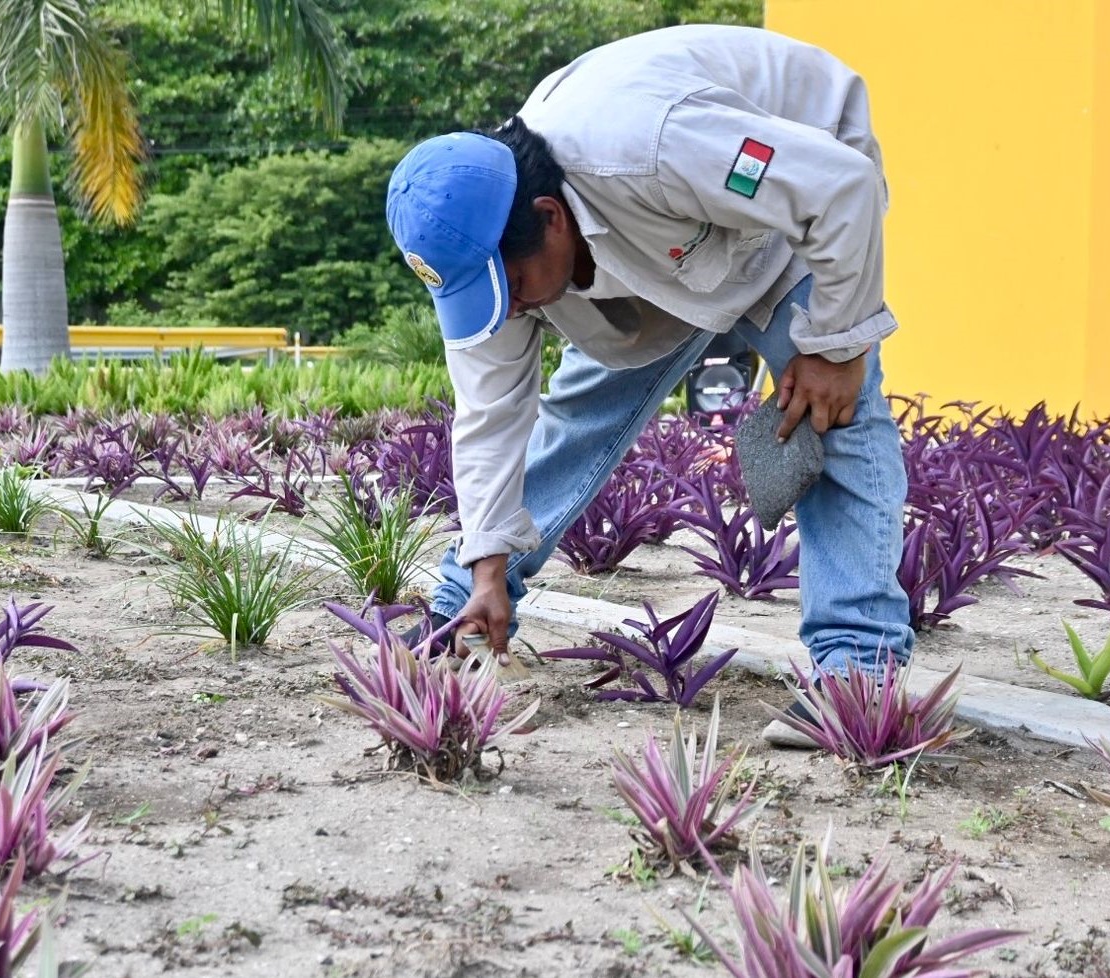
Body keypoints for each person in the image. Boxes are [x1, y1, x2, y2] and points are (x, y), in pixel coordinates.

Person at [384, 24, 914, 747]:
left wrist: (837, 344)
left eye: (508, 287)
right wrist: (485, 563)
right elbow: (489, 415)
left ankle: (858, 672)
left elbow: (837, 188)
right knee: (577, 413)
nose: (504, 311)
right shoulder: (491, 253)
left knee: (829, 415)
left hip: (791, 212)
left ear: (548, 220)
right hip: (658, 245)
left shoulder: (652, 145)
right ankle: (463, 608)